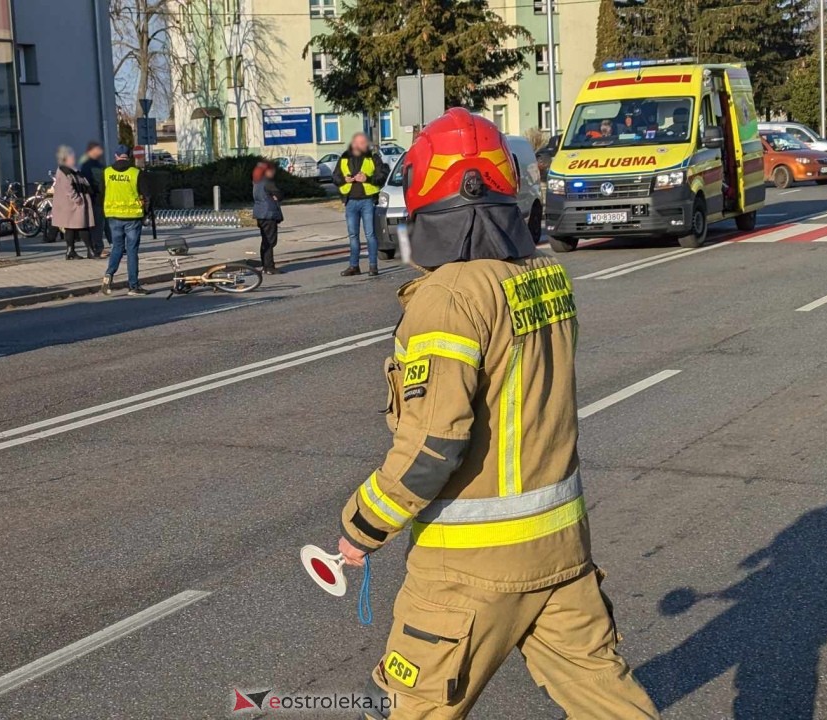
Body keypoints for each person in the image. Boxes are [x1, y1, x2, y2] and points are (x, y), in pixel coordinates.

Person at [336, 108, 659, 720]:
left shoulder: (446, 299)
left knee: (420, 708)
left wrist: (362, 527)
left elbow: (434, 443)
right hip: (561, 555)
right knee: (612, 707)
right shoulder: (543, 277)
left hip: (468, 569)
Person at [332, 133, 388, 277]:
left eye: (362, 143)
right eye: (356, 143)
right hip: (350, 201)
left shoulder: (373, 158)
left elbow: (382, 176)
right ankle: (354, 266)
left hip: (367, 201)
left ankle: (373, 266)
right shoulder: (344, 158)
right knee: (353, 236)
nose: (358, 145)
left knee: (370, 234)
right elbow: (335, 177)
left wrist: (367, 178)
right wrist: (343, 179)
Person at [102, 145, 151, 296]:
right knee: (131, 251)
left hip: (113, 216)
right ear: (129, 156)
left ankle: (109, 275)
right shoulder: (136, 173)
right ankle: (133, 286)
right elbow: (147, 196)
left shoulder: (107, 172)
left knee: (117, 248)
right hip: (133, 218)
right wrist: (146, 214)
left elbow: (101, 193)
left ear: (116, 156)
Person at [51, 145, 95, 261]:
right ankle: (89, 250)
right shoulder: (63, 171)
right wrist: (78, 199)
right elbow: (68, 188)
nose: (74, 157)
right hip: (72, 205)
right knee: (82, 226)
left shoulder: (72, 170)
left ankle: (71, 251)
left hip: (73, 205)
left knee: (73, 227)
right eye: (71, 156)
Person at [78, 140, 109, 257]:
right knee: (97, 225)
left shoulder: (99, 165)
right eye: (98, 150)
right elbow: (87, 183)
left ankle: (100, 247)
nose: (100, 152)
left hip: (102, 198)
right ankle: (97, 248)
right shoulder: (87, 166)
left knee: (102, 225)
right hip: (94, 199)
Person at [252, 160, 284, 275]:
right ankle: (269, 267)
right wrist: (276, 197)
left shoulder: (256, 182)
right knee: (270, 241)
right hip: (269, 213)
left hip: (260, 214)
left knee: (265, 240)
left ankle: (265, 266)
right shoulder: (267, 182)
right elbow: (279, 195)